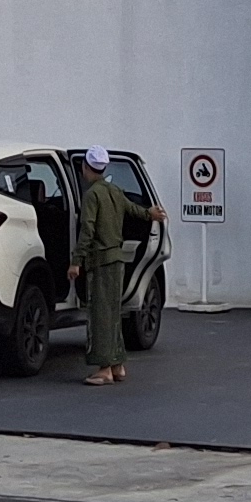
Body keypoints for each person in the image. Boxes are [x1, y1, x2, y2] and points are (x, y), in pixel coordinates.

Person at [71, 149, 137, 386]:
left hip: (100, 262)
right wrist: (151, 214)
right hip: (117, 260)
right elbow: (134, 210)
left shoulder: (92, 195)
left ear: (85, 167)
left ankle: (104, 369)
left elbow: (87, 230)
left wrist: (76, 261)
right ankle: (117, 364)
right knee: (113, 313)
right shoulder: (115, 191)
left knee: (99, 315)